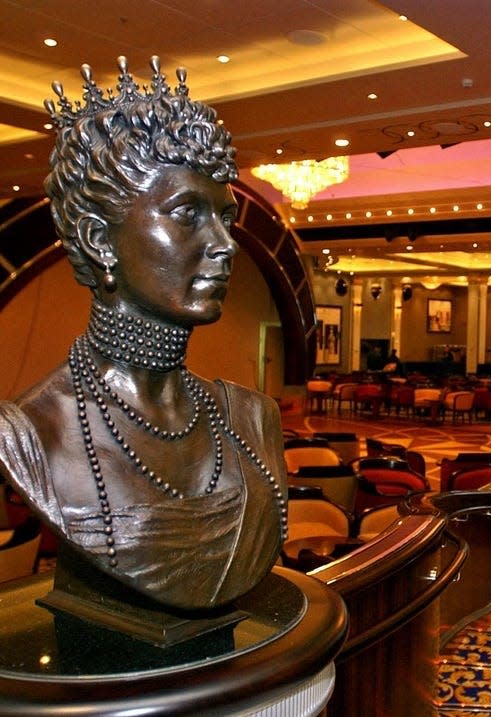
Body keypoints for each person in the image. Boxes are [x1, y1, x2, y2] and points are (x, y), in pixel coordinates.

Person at [0, 57, 287, 612]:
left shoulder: (254, 419)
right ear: (99, 239)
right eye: (187, 213)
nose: (225, 244)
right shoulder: (31, 436)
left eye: (225, 218)